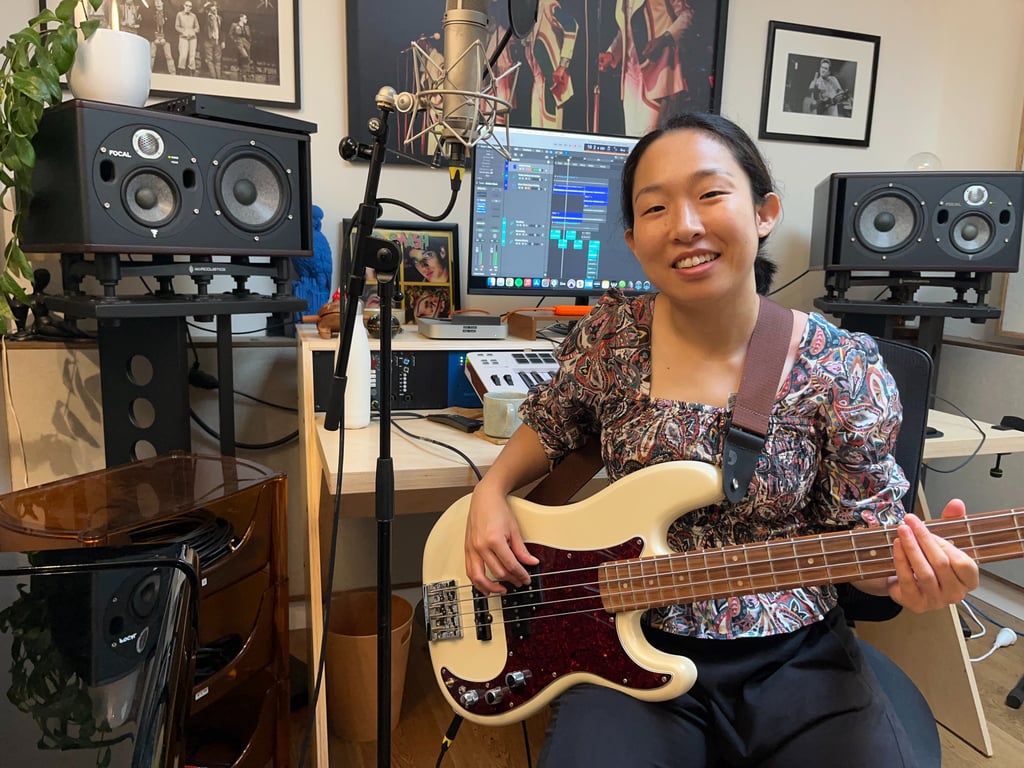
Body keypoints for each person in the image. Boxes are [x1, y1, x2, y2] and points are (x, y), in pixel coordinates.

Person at [464, 112, 980, 767]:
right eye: (655, 207)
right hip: (628, 641)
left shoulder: (841, 366)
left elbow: (867, 546)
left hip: (796, 653)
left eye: (710, 193)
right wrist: (491, 492)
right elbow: (551, 422)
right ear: (633, 239)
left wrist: (909, 578)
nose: (685, 225)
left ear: (764, 212)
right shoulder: (611, 336)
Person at [598, 0, 693, 135]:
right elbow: (625, 29)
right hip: (631, 76)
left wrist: (664, 39)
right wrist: (612, 53)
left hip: (659, 71)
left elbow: (687, 15)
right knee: (632, 138)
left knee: (649, 138)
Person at [522, 0, 579, 130]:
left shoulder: (547, 4)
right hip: (538, 84)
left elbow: (572, 25)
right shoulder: (529, 12)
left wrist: (562, 66)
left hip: (551, 85)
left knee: (550, 131)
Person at [140, 0, 176, 75]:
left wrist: (165, 39)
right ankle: (148, 73)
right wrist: (154, 38)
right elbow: (148, 28)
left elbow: (171, 29)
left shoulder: (168, 14)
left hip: (165, 38)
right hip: (154, 38)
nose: (157, 4)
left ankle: (173, 74)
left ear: (162, 3)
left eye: (159, 2)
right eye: (156, 2)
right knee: (151, 56)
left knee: (169, 56)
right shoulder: (150, 14)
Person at [174, 0, 200, 76]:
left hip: (193, 38)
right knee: (183, 55)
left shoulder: (193, 16)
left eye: (190, 6)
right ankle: (181, 70)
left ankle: (191, 71)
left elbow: (197, 27)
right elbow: (176, 26)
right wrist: (183, 31)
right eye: (187, 5)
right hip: (183, 37)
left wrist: (193, 32)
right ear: (184, 6)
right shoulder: (179, 14)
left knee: (192, 55)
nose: (188, 7)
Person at [200, 1, 224, 79]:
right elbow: (200, 13)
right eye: (213, 9)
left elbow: (222, 30)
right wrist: (205, 5)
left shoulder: (219, 18)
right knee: (209, 59)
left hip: (217, 41)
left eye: (215, 9)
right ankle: (213, 77)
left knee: (218, 60)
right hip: (208, 40)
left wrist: (223, 41)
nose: (214, 10)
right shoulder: (206, 17)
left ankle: (218, 77)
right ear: (209, 9)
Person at [229, 13, 253, 82]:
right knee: (245, 56)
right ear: (241, 18)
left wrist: (249, 43)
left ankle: (243, 75)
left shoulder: (247, 27)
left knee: (246, 59)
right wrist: (235, 40)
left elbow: (249, 36)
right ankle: (244, 73)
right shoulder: (234, 25)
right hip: (238, 43)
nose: (246, 20)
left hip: (246, 43)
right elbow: (230, 34)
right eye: (245, 18)